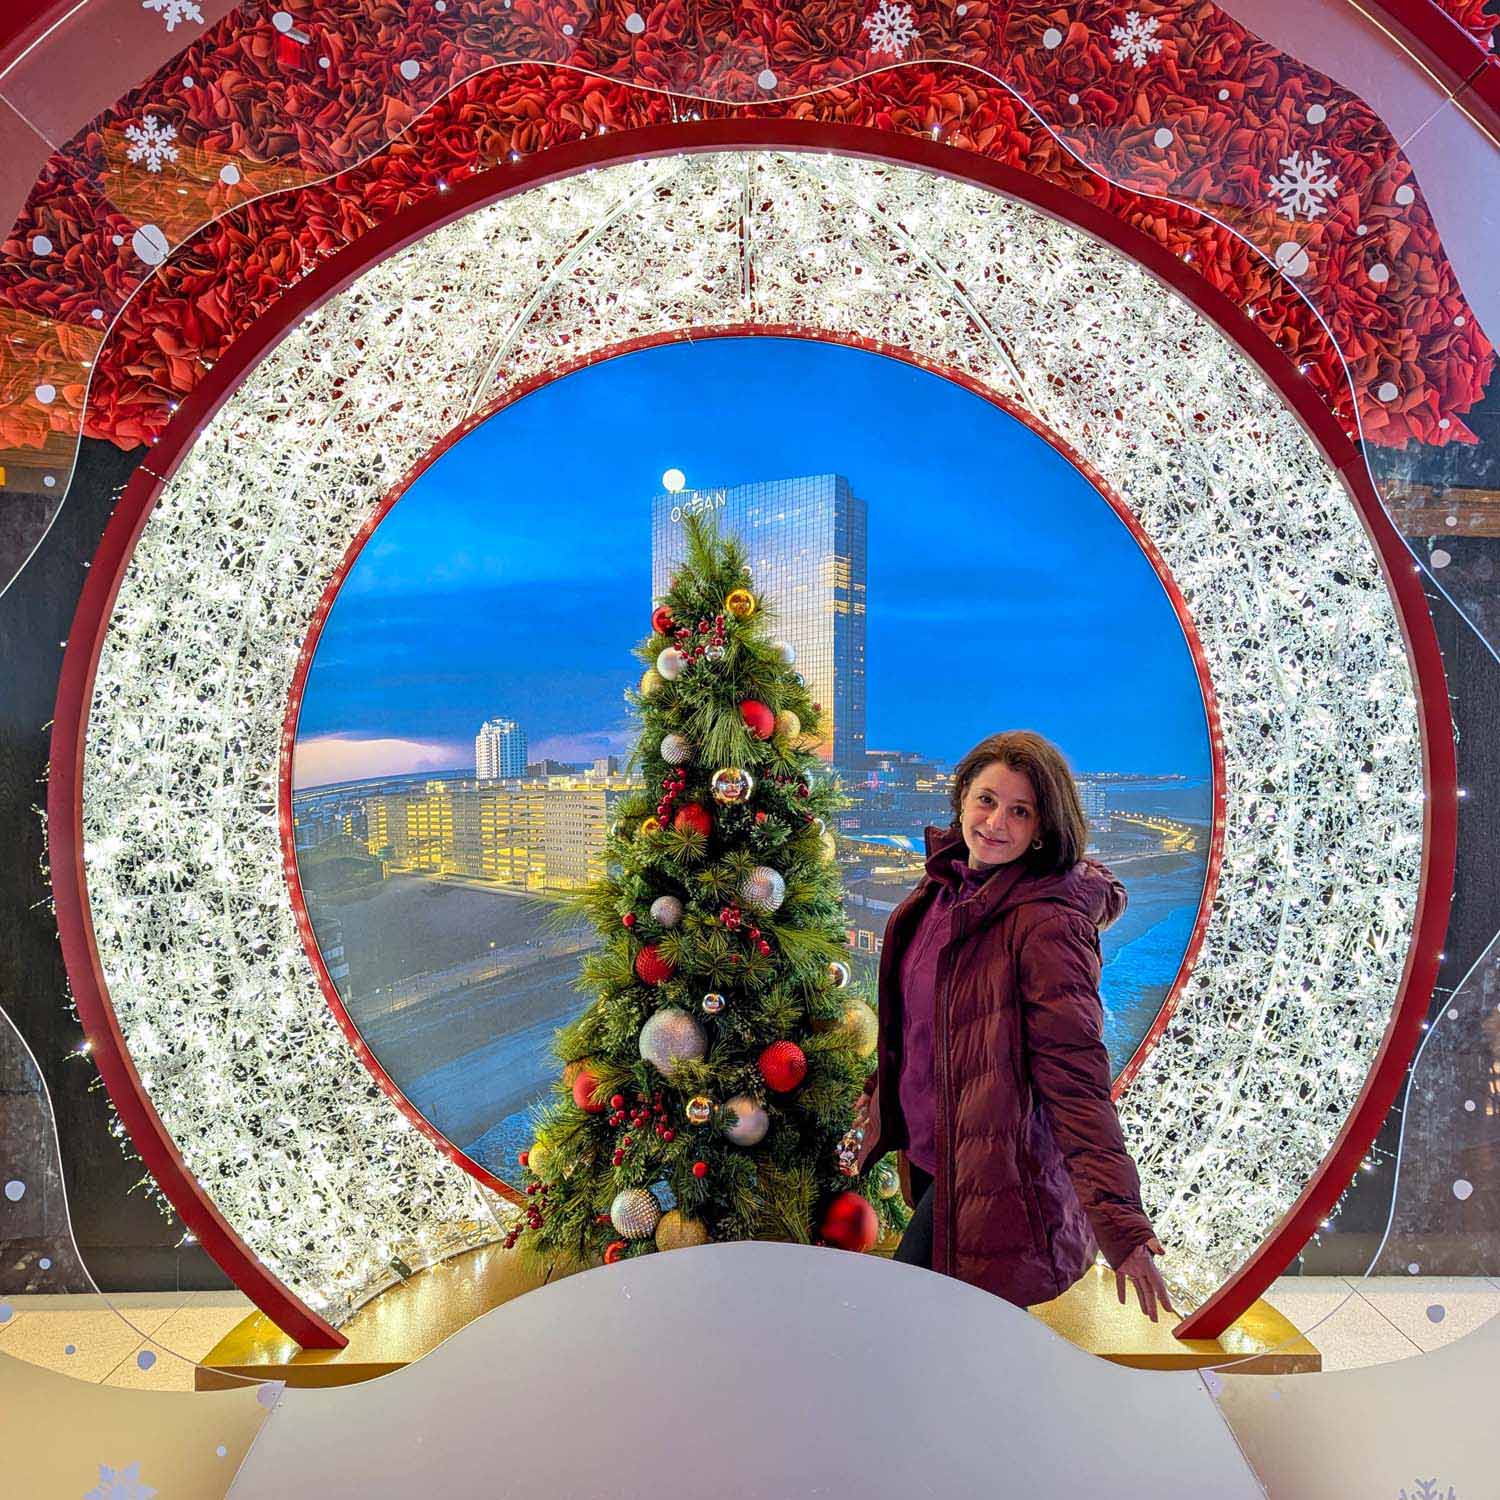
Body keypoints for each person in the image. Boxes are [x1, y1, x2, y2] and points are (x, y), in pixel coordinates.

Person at [856, 730, 1174, 1322]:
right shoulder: (938, 894)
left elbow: (1077, 1083)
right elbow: (922, 1027)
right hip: (933, 1158)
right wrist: (880, 1094)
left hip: (997, 1177)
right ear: (961, 800)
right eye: (986, 799)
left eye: (1019, 811)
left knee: (904, 1323)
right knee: (950, 1342)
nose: (996, 822)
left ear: (1043, 829)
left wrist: (1121, 1225)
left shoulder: (1047, 927)